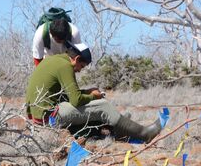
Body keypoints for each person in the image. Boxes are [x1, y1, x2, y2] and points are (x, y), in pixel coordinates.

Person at [25, 42, 161, 143]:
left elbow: (60, 95)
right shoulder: (65, 66)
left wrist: (87, 92)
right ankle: (144, 134)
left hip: (38, 115)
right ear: (77, 59)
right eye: (81, 66)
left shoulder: (53, 60)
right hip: (50, 117)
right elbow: (76, 100)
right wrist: (92, 95)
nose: (79, 70)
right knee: (102, 105)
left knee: (95, 103)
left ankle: (119, 127)